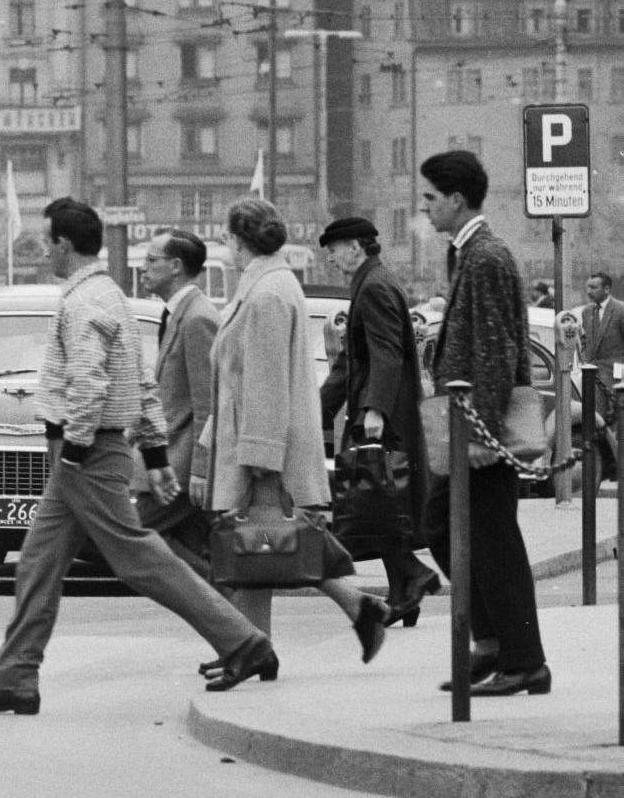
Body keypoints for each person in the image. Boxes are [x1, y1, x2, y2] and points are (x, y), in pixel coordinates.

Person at [0, 198, 273, 715]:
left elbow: (90, 381)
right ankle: (15, 676)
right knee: (38, 562)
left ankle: (242, 641)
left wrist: (77, 448)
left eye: (47, 240)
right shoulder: (109, 296)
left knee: (139, 558)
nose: (44, 250)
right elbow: (140, 384)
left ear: (63, 244)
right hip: (91, 449)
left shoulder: (83, 303)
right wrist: (153, 452)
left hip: (84, 450)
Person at [193, 200, 388, 677]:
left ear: (240, 241)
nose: (225, 246)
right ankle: (268, 644)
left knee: (259, 545)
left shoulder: (267, 293)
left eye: (227, 237)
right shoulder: (267, 285)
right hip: (258, 437)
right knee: (260, 548)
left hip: (262, 442)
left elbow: (263, 380)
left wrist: (261, 457)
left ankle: (255, 649)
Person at [420, 150, 549, 696]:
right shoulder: (467, 253)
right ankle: (493, 644)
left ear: (455, 199)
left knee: (494, 542)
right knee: (443, 527)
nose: (424, 208)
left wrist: (481, 435)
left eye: (429, 198)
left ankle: (524, 661)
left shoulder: (486, 256)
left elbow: (496, 353)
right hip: (470, 422)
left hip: (480, 428)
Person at [318, 216, 442, 626]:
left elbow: (387, 353)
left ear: (355, 247)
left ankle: (412, 578)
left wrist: (375, 410)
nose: (331, 259)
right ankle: (407, 586)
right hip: (382, 412)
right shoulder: (373, 282)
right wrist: (322, 406)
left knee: (375, 498)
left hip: (382, 418)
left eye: (334, 250)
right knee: (381, 501)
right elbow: (354, 362)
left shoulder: (373, 287)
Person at [134, 228, 219, 576]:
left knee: (132, 533)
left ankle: (222, 605)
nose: (143, 268)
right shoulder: (176, 314)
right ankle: (224, 609)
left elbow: (208, 405)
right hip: (172, 459)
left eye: (151, 260)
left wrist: (200, 469)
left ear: (175, 266)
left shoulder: (198, 318)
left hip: (182, 467)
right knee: (197, 549)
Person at [578, 271, 624, 481]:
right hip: (593, 376)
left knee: (615, 421)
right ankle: (607, 464)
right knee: (597, 422)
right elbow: (585, 341)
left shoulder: (620, 310)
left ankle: (617, 465)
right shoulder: (587, 312)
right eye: (588, 287)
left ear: (607, 289)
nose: (589, 291)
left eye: (594, 287)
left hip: (615, 376)